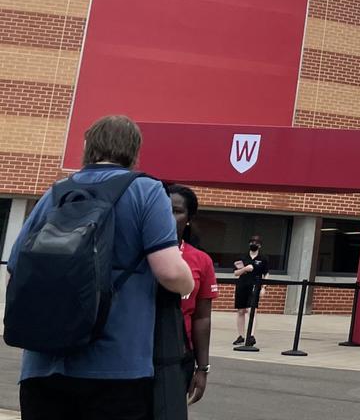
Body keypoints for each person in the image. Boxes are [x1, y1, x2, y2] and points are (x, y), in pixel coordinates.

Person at [7, 115, 195, 419]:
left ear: (88, 147)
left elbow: (15, 270)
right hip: (117, 367)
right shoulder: (146, 191)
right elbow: (170, 272)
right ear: (134, 151)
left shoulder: (56, 193)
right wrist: (188, 285)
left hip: (43, 367)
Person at [170, 184, 216, 405]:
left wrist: (202, 368)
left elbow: (202, 317)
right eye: (164, 210)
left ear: (188, 218)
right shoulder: (137, 253)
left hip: (179, 358)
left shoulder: (201, 260)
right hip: (136, 356)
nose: (169, 217)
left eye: (177, 211)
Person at [232, 234, 269, 346]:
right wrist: (245, 269)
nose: (254, 244)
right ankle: (241, 336)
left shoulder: (263, 258)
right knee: (241, 311)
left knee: (251, 309)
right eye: (252, 242)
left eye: (256, 243)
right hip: (242, 285)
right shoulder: (242, 257)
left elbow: (266, 274)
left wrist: (264, 288)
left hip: (255, 286)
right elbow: (235, 273)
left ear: (260, 246)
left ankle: (251, 335)